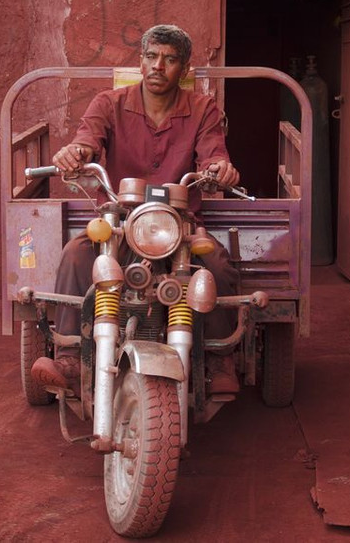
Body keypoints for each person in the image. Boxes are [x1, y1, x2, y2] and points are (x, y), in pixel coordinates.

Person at [30, 24, 243, 394]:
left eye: (170, 59)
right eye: (151, 56)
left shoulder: (202, 108)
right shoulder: (109, 103)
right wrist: (76, 153)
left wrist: (219, 169)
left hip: (180, 224)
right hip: (119, 220)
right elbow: (87, 139)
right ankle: (68, 357)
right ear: (141, 61)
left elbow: (214, 154)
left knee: (218, 266)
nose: (158, 66)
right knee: (76, 256)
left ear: (185, 69)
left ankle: (217, 360)